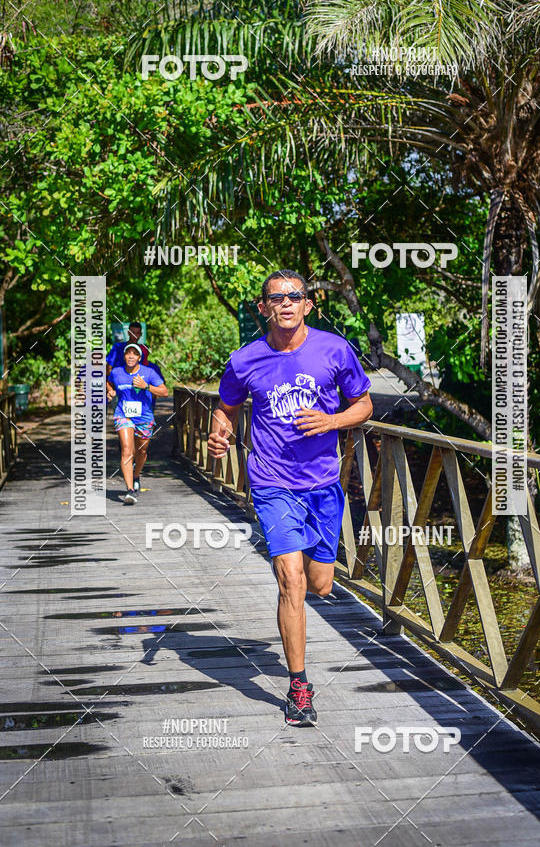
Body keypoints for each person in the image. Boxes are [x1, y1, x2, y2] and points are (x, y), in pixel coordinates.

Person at [207, 269, 373, 726]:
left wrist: (333, 421)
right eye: (276, 297)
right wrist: (218, 436)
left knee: (321, 583)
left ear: (308, 305)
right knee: (291, 580)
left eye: (295, 296)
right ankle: (299, 686)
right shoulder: (245, 360)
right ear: (263, 308)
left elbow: (364, 403)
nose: (285, 303)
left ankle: (301, 650)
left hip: (322, 484)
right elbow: (226, 408)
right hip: (271, 483)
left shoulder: (333, 349)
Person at [107, 344, 168, 504]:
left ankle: (136, 475)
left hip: (144, 418)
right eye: (128, 353)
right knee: (127, 449)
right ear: (124, 356)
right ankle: (130, 490)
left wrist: (146, 386)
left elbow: (164, 391)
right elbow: (108, 382)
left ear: (139, 358)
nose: (131, 356)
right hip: (123, 415)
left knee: (141, 452)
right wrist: (110, 391)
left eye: (135, 354)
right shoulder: (117, 372)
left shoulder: (149, 373)